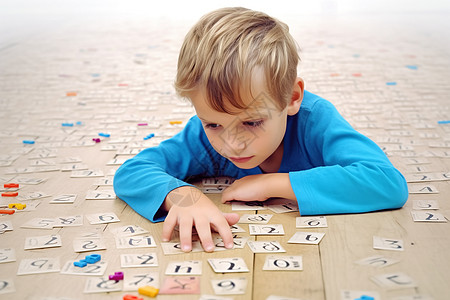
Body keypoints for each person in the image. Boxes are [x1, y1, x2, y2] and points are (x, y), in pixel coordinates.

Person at [113, 7, 408, 253]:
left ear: (292, 97)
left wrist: (273, 184)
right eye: (213, 123)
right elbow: (132, 172)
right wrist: (183, 196)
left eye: (252, 122)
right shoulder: (202, 137)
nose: (232, 144)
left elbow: (386, 182)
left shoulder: (316, 121)